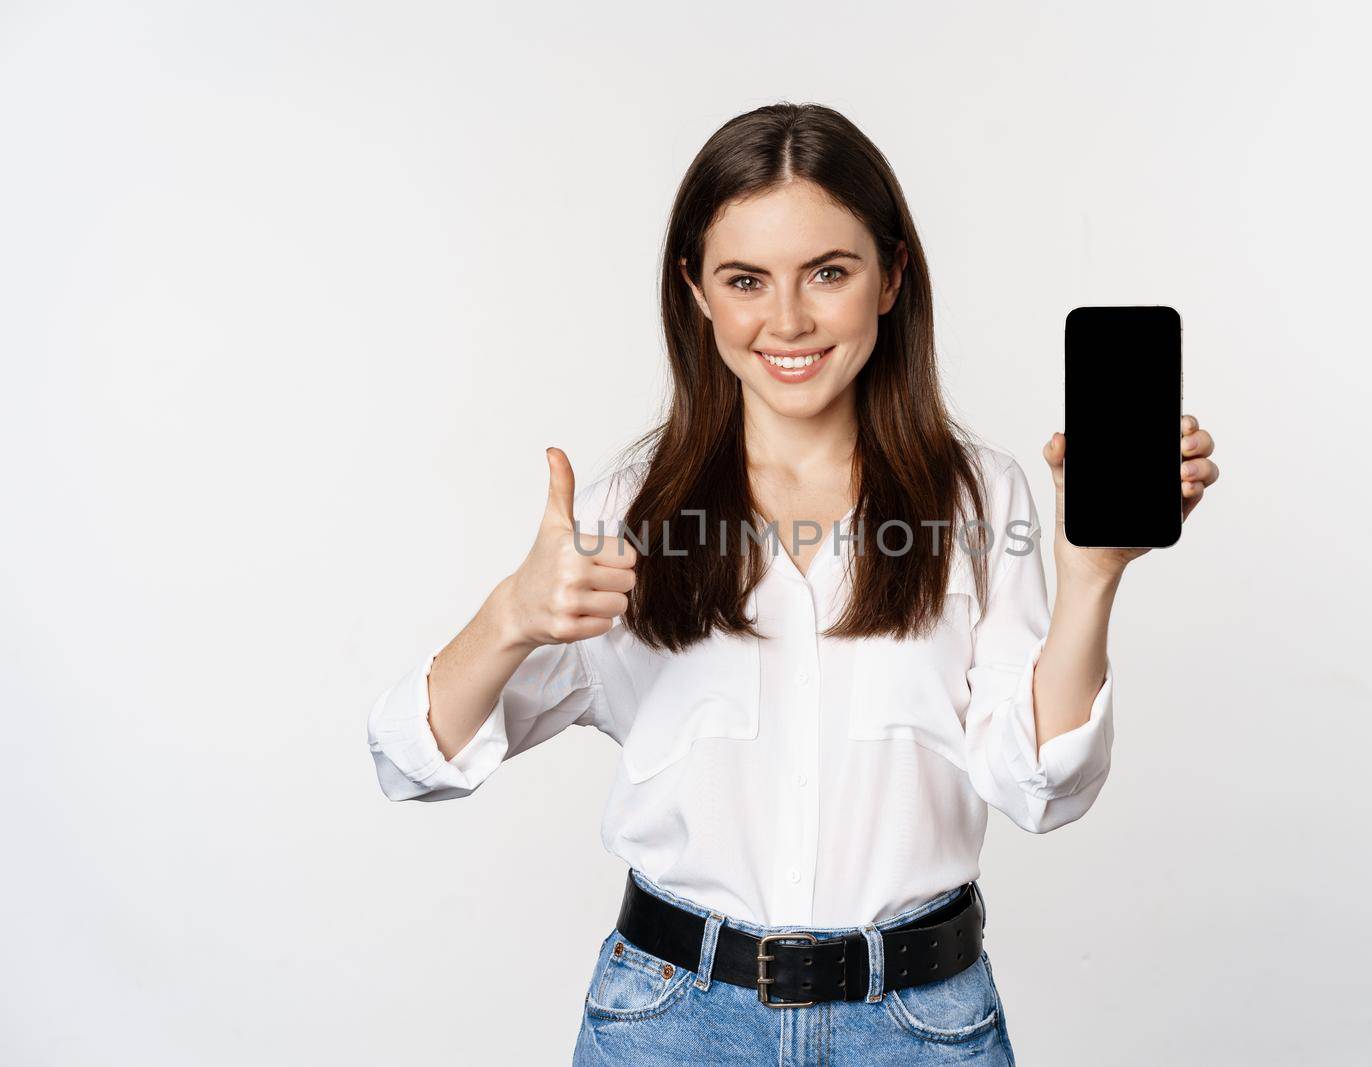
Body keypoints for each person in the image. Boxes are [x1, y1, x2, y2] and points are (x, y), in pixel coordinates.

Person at [366, 102, 1220, 1065]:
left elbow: (1040, 785)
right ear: (695, 289)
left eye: (828, 272)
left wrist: (1093, 576)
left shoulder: (981, 497)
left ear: (892, 277)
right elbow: (409, 761)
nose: (788, 320)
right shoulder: (622, 513)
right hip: (670, 1025)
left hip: (921, 1024)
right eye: (745, 279)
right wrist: (511, 617)